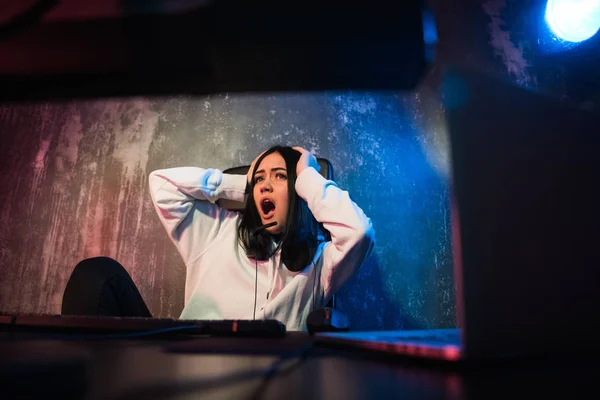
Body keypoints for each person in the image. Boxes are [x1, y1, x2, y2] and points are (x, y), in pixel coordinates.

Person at [62, 146, 375, 331]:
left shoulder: (321, 262)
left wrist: (307, 177)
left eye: (280, 177)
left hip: (272, 376)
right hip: (185, 360)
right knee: (96, 274)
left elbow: (358, 232)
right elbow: (163, 185)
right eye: (260, 178)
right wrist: (246, 186)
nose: (266, 185)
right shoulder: (216, 230)